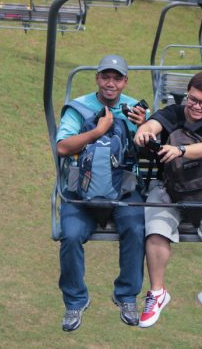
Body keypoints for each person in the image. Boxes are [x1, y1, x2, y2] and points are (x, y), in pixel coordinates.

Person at [134, 71, 202, 331]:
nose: (196, 106)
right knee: (156, 230)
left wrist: (180, 150)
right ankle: (157, 292)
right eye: (192, 99)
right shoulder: (174, 113)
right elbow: (153, 125)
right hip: (171, 189)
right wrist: (144, 132)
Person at [55, 55, 147, 331]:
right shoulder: (79, 108)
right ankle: (75, 300)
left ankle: (127, 295)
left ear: (125, 81)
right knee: (70, 235)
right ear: (97, 78)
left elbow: (148, 150)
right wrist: (97, 131)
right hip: (81, 190)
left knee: (136, 228)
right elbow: (63, 147)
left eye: (117, 78)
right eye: (105, 77)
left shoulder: (134, 109)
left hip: (123, 189)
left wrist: (143, 127)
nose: (110, 83)